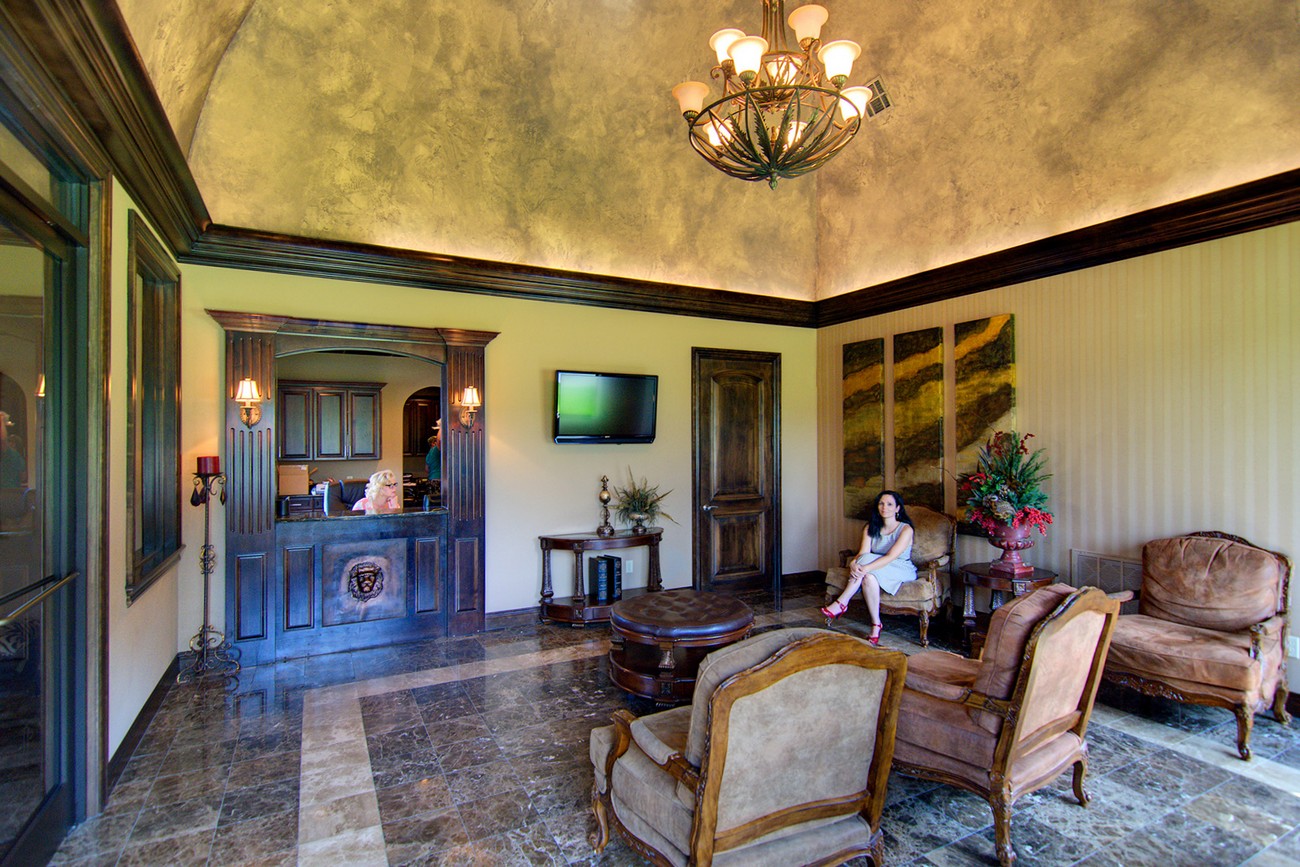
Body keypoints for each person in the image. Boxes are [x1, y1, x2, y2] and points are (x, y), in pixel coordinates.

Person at [821, 490, 917, 646]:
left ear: (898, 508)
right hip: (875, 567)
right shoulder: (870, 527)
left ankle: (842, 602)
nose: (884, 507)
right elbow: (862, 553)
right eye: (881, 504)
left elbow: (890, 556)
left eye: (890, 504)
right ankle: (876, 624)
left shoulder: (906, 529)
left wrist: (864, 567)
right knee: (869, 578)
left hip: (900, 567)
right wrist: (853, 563)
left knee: (867, 564)